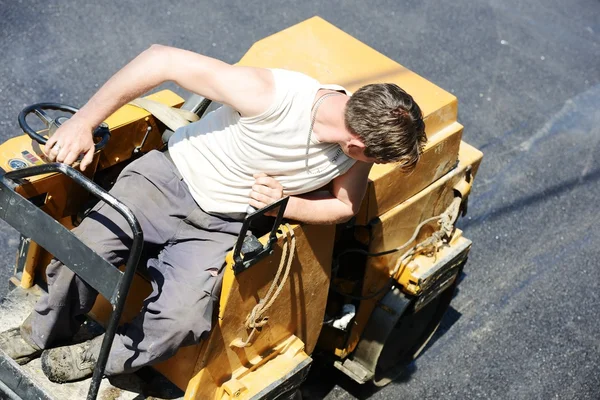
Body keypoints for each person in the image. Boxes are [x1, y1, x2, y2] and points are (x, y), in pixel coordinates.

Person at [0, 45, 426, 383]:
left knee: (182, 320)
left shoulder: (357, 152)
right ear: (357, 141)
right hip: (170, 179)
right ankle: (38, 334)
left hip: (225, 223)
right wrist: (82, 123)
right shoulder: (270, 95)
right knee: (83, 253)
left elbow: (345, 207)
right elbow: (160, 58)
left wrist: (283, 205)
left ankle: (99, 357)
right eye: (376, 158)